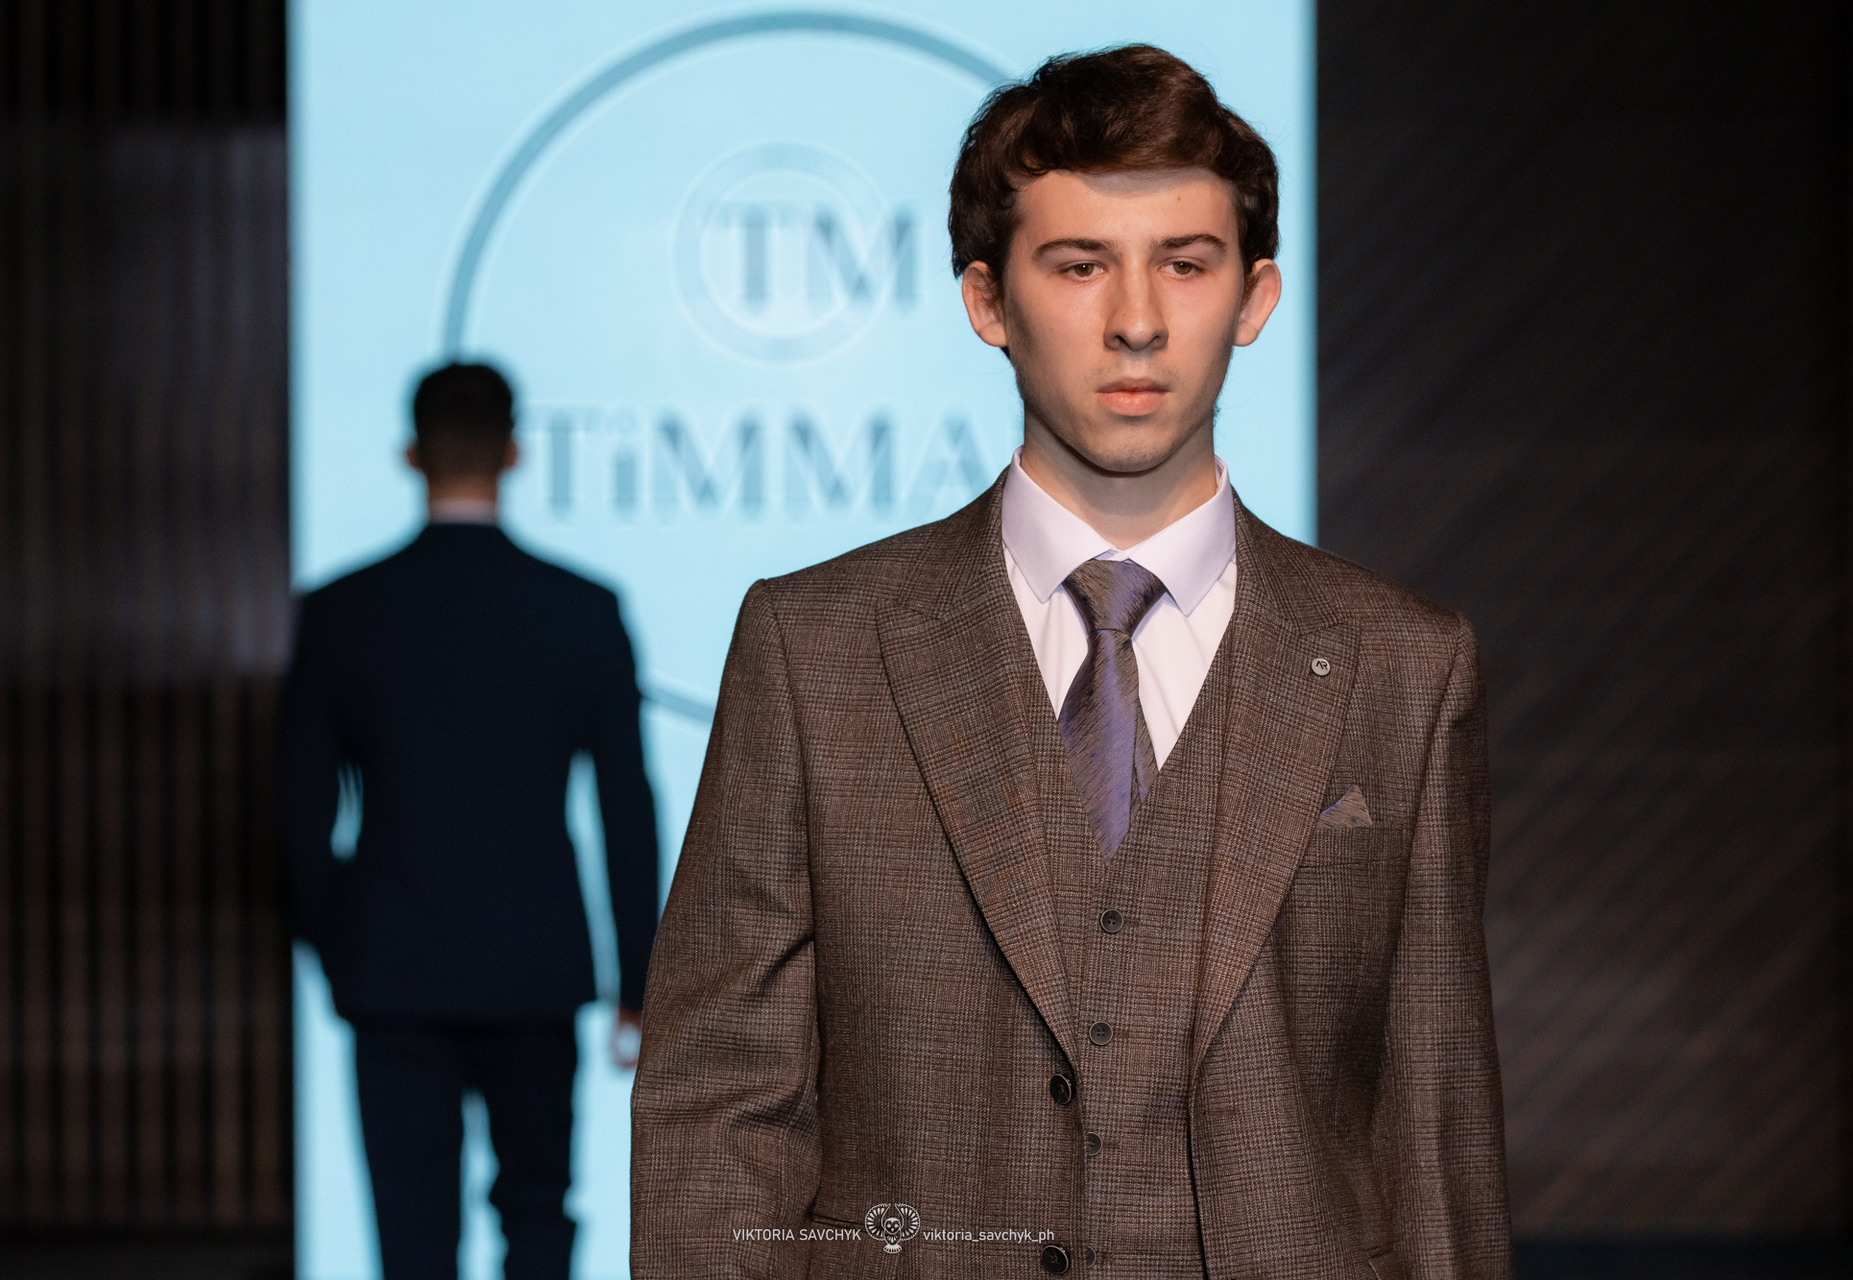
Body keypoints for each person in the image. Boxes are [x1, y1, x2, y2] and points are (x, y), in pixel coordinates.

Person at [631, 45, 1509, 1279]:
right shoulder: (815, 648)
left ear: (1255, 297)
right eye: (1080, 264)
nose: (1137, 319)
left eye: (1185, 264)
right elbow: (721, 1113)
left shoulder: (1403, 667)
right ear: (988, 301)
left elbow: (1435, 1138)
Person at [284, 362, 659, 1280]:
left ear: (411, 453)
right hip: (534, 967)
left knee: (412, 1235)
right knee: (538, 1215)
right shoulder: (580, 610)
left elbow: (297, 812)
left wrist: (341, 946)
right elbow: (625, 804)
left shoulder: (342, 612)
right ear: (515, 453)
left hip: (394, 969)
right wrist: (638, 981)